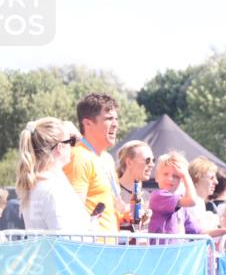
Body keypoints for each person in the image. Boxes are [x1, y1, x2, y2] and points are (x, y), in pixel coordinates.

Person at [15, 118, 90, 231]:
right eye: (70, 142)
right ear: (60, 148)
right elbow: (65, 238)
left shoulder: (39, 183)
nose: (72, 146)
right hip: (66, 248)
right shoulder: (52, 188)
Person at [65, 93, 119, 234]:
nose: (115, 124)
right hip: (91, 249)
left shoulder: (107, 159)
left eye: (116, 119)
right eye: (109, 119)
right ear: (87, 123)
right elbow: (73, 212)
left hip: (110, 248)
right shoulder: (78, 157)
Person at [116, 141, 154, 230]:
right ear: (129, 162)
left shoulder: (148, 197)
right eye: (147, 160)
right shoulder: (111, 191)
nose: (152, 164)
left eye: (153, 160)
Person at [188, 156, 220, 230]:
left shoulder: (198, 202)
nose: (216, 182)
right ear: (196, 179)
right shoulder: (194, 202)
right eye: (211, 178)